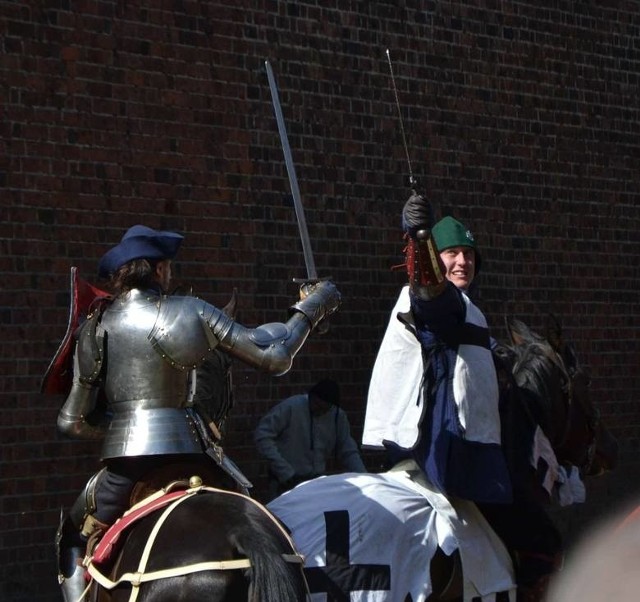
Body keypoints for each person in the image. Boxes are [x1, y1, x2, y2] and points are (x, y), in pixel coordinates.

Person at [51, 224, 340, 602]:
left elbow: (71, 421)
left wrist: (119, 426)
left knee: (72, 537)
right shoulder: (191, 311)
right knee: (262, 523)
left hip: (128, 464)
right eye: (168, 267)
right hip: (199, 455)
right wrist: (313, 307)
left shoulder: (95, 328)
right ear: (158, 270)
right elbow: (274, 356)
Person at [363, 194, 562, 602]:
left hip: (439, 451)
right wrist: (418, 240)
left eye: (468, 255)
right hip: (447, 457)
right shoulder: (441, 302)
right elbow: (430, 294)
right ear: (436, 258)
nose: (462, 262)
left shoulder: (469, 309)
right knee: (543, 541)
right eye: (451, 253)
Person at [254, 378, 367, 500]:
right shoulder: (291, 407)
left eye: (325, 409)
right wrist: (284, 471)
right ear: (311, 396)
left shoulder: (337, 416)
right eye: (317, 405)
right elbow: (263, 436)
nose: (319, 411)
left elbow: (347, 450)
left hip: (316, 482)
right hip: (285, 482)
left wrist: (364, 478)